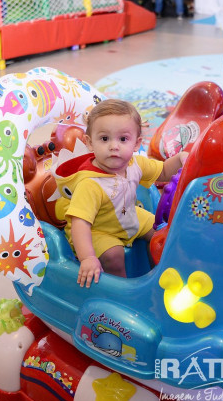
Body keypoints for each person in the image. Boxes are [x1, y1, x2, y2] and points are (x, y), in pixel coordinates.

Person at [63, 99, 187, 287]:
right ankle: (122, 290)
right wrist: (87, 257)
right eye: (104, 139)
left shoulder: (135, 163)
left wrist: (180, 159)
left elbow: (163, 171)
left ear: (136, 143)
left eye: (123, 139)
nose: (114, 146)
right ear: (90, 143)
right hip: (98, 229)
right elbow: (80, 223)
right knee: (113, 255)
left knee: (163, 232)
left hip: (129, 215)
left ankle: (159, 275)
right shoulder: (90, 184)